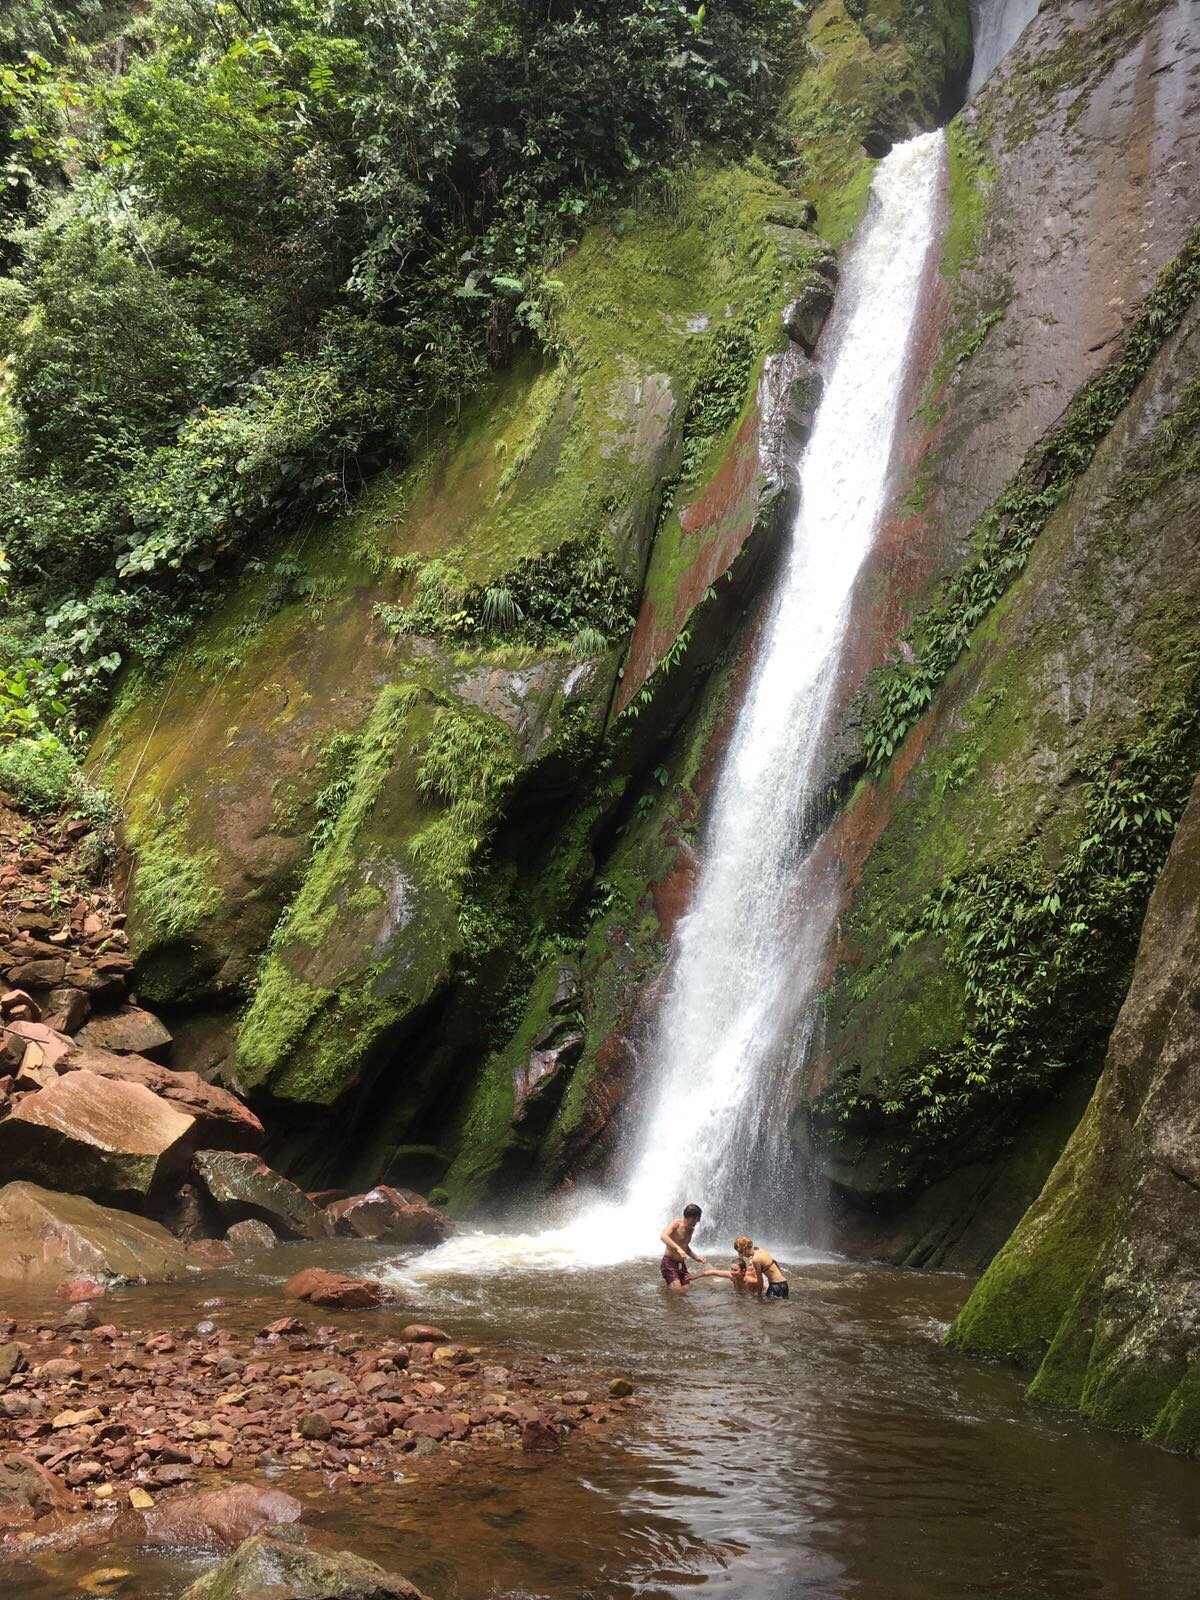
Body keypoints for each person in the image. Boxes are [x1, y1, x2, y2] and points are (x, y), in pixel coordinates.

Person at [659, 1203, 706, 1292]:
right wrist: (678, 1249)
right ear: (691, 1218)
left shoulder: (691, 1229)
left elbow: (684, 1246)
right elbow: (663, 1236)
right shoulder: (676, 1224)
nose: (699, 1221)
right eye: (698, 1218)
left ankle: (667, 1290)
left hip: (681, 1264)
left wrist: (696, 1257)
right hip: (669, 1262)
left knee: (686, 1291)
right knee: (678, 1291)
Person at [733, 1235, 788, 1299]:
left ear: (745, 1249)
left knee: (765, 1304)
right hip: (784, 1283)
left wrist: (759, 1296)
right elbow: (774, 1262)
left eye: (740, 1252)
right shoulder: (760, 1250)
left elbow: (760, 1281)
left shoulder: (755, 1259)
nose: (741, 1255)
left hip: (776, 1286)